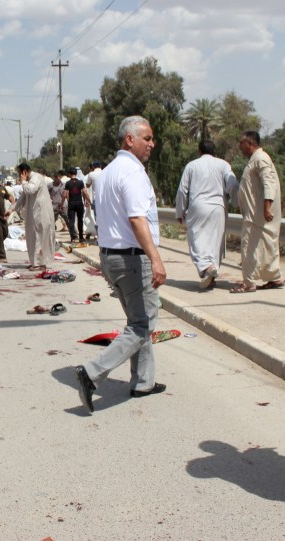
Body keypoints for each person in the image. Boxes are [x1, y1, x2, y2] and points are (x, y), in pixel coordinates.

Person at [74, 116, 167, 413]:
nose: (152, 144)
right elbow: (137, 220)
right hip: (132, 259)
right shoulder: (133, 172)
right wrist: (156, 259)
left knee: (138, 320)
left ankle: (143, 382)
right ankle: (91, 373)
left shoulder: (108, 172)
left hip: (111, 257)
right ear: (130, 139)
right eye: (147, 138)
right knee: (142, 325)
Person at [175, 140, 238, 288]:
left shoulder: (191, 165)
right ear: (214, 151)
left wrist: (180, 211)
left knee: (196, 239)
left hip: (198, 206)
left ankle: (206, 267)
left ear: (199, 151)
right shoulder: (223, 165)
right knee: (216, 243)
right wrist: (236, 202)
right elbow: (233, 184)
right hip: (218, 207)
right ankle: (211, 275)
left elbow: (182, 190)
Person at [231, 131, 284, 293]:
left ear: (251, 143)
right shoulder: (255, 159)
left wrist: (267, 207)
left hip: (257, 214)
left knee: (249, 245)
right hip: (255, 214)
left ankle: (249, 283)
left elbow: (269, 183)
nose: (240, 146)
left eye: (242, 143)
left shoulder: (261, 158)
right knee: (266, 246)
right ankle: (274, 278)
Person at [15, 163, 55, 271]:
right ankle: (35, 262)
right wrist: (12, 209)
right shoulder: (31, 180)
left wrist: (23, 181)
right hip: (34, 214)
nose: (19, 176)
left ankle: (39, 264)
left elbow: (30, 190)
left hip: (40, 214)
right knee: (33, 237)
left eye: (19, 174)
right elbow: (24, 196)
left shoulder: (35, 178)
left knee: (38, 237)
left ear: (24, 172)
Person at [62, 167, 91, 243]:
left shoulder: (68, 183)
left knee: (71, 221)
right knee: (80, 220)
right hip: (79, 203)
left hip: (71, 203)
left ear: (69, 174)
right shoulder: (80, 182)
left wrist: (61, 203)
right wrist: (88, 201)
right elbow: (84, 192)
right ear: (76, 173)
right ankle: (81, 237)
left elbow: (64, 194)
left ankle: (73, 237)